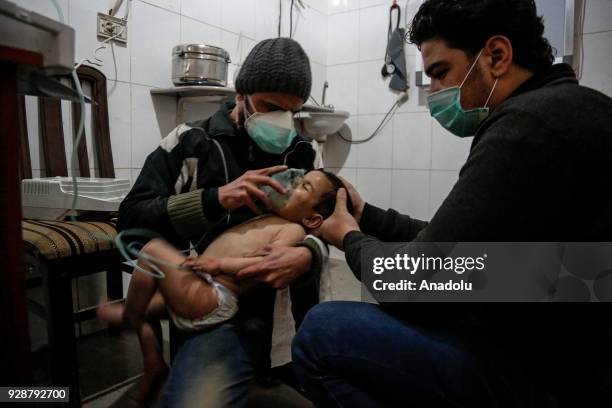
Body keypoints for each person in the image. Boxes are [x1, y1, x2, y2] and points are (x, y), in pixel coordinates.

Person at [292, 0, 612, 407]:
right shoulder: (574, 110)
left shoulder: (528, 127)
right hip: (568, 344)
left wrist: (349, 237)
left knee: (323, 334)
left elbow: (415, 283)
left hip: (558, 379)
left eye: (440, 72)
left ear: (496, 56)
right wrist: (368, 217)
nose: (434, 92)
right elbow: (468, 256)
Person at [117, 37, 328, 406]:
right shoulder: (191, 142)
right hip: (215, 311)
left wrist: (309, 253)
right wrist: (213, 199)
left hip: (277, 316)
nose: (280, 121)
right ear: (241, 93)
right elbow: (132, 220)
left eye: (289, 112)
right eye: (270, 107)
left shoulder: (301, 152)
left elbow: (326, 221)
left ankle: (263, 375)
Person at [100, 169, 351, 403]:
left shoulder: (294, 230)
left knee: (152, 250)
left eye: (303, 186)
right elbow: (133, 214)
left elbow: (264, 264)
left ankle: (127, 315)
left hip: (214, 294)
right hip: (202, 285)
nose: (289, 182)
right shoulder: (271, 216)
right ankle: (154, 363)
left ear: (312, 218)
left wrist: (220, 264)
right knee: (146, 308)